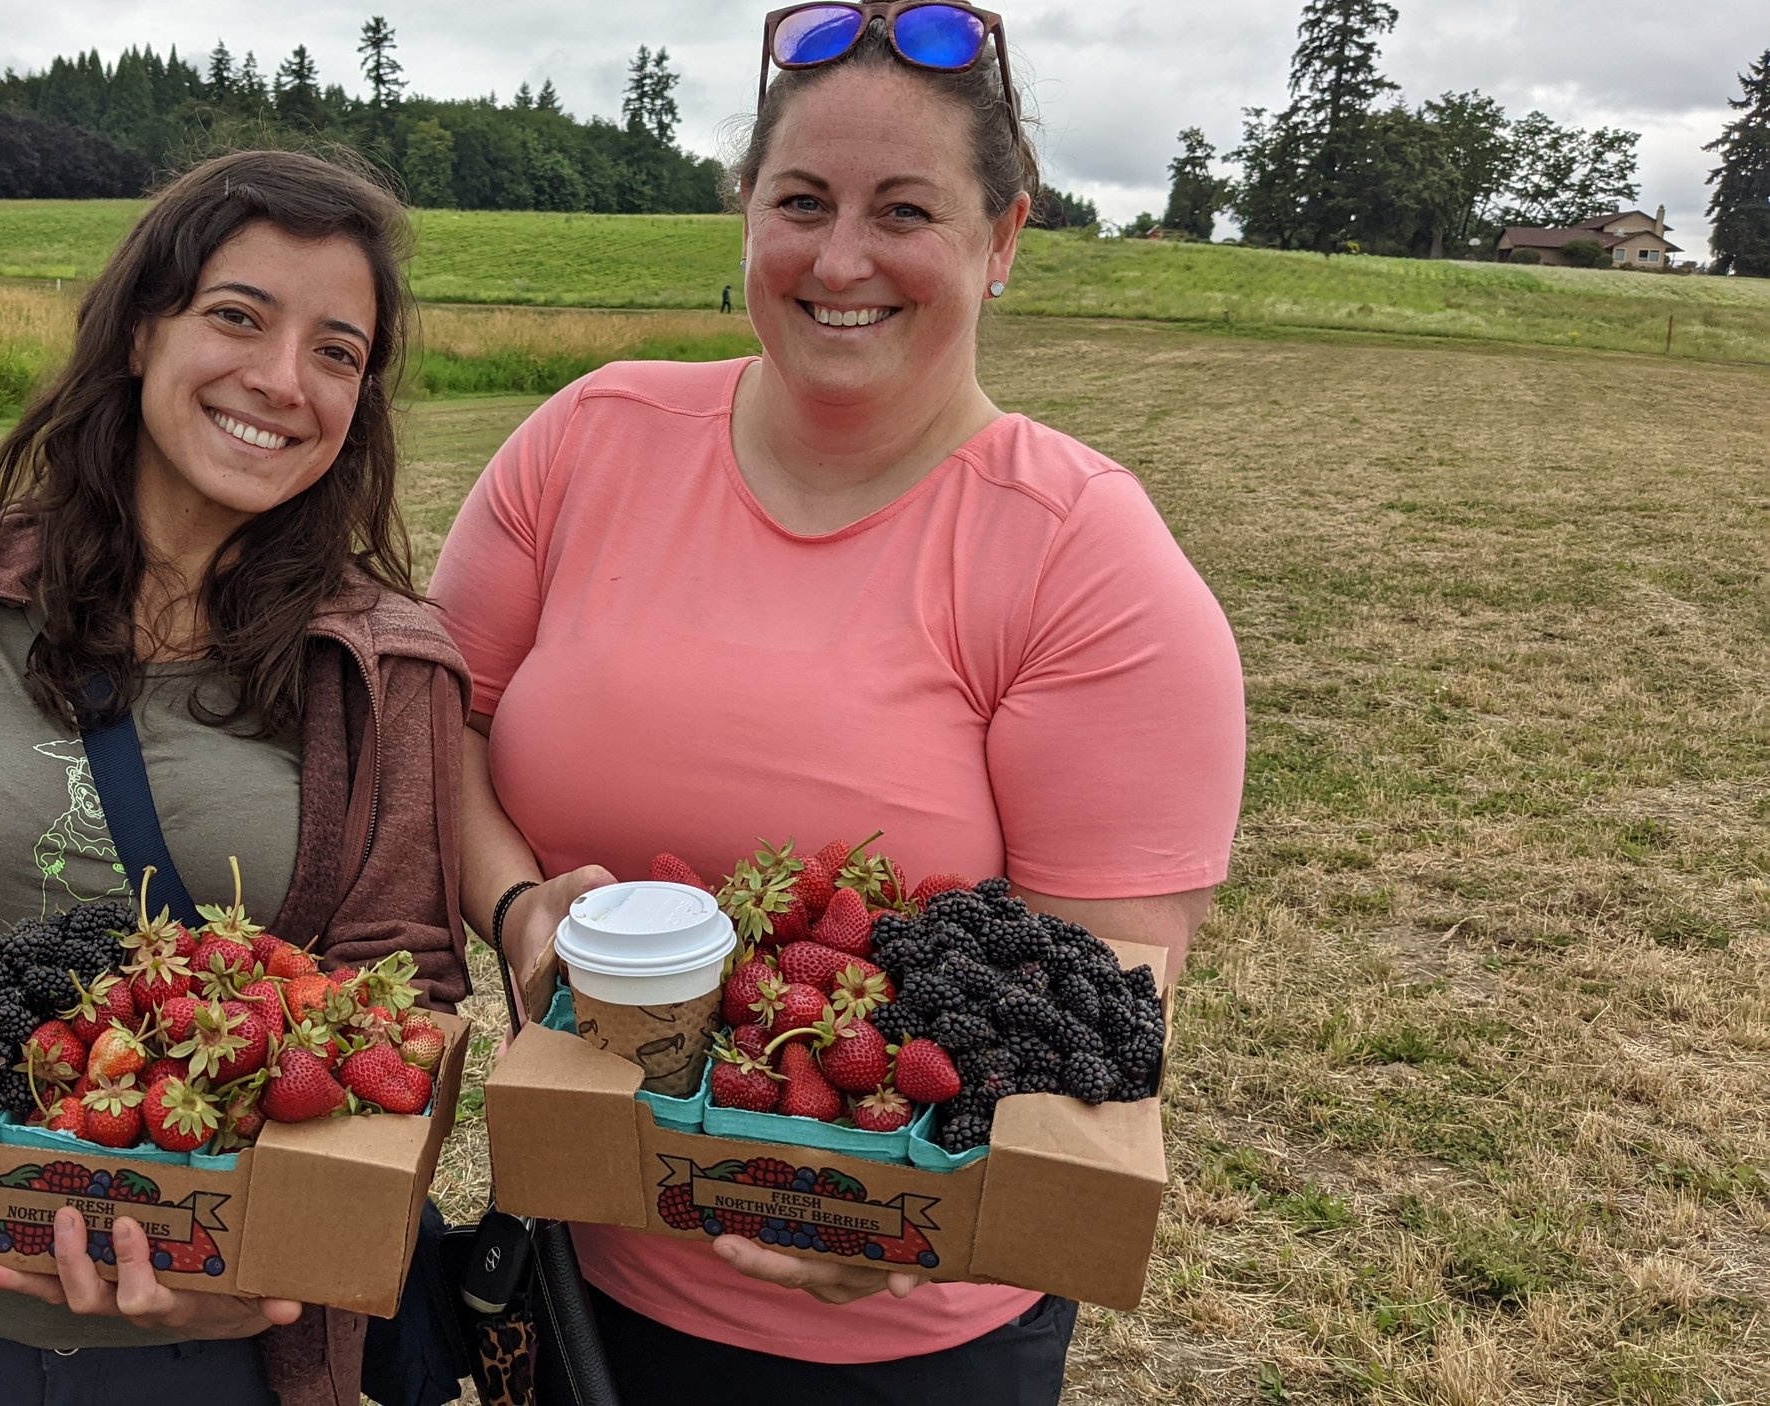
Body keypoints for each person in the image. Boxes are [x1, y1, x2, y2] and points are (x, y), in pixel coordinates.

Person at [431, 4, 1245, 1403]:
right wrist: (515, 908)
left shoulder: (1083, 554)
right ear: (745, 213)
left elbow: (1107, 980)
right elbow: (436, 729)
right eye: (800, 201)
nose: (841, 257)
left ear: (1003, 241)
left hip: (901, 1341)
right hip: (575, 1266)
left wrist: (901, 1210)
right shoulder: (585, 443)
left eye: (905, 209)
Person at [0, 149, 473, 1406]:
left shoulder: (386, 668)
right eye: (238, 315)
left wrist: (248, 1268)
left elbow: (413, 1000)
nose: (282, 380)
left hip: (212, 1346)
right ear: (136, 331)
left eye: (337, 351)